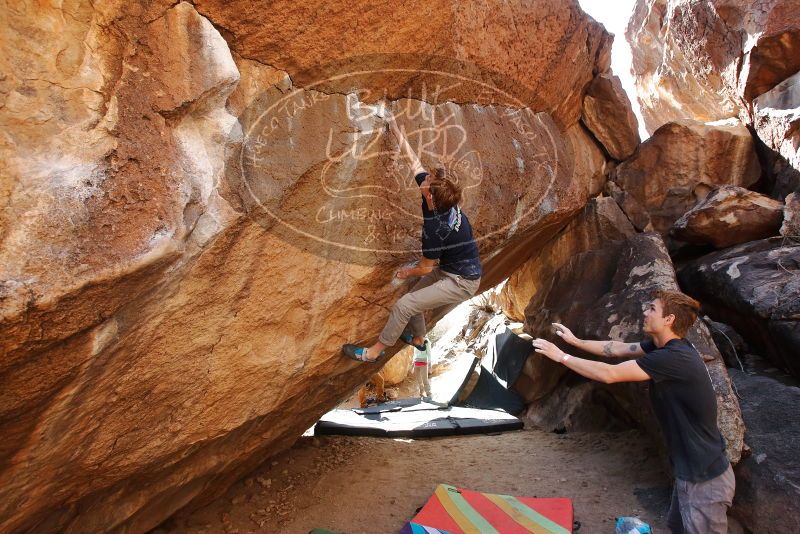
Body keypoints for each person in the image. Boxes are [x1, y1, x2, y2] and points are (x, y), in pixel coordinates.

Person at [531, 290, 734, 534]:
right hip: (692, 471)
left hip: (704, 478)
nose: (644, 312)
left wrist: (561, 356)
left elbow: (609, 374)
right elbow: (617, 349)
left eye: (652, 309)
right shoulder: (664, 348)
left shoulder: (674, 358)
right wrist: (576, 342)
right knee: (677, 528)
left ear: (669, 319)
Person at [342, 112, 482, 363]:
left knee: (405, 305)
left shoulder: (435, 229)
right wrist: (394, 125)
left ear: (430, 197)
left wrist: (406, 272)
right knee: (414, 296)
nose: (425, 178)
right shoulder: (443, 200)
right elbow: (414, 162)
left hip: (462, 281)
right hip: (455, 267)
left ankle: (374, 352)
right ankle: (418, 339)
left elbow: (425, 267)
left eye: (428, 181)